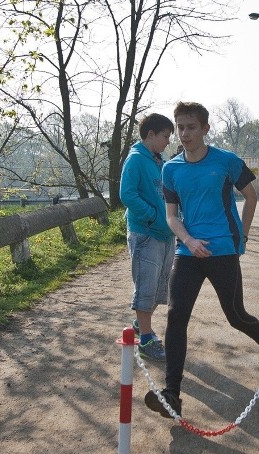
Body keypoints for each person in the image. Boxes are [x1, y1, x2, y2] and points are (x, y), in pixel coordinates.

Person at [145, 101, 259, 418]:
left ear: (205, 129)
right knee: (176, 316)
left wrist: (241, 237)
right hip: (188, 252)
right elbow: (171, 217)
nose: (185, 133)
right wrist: (189, 240)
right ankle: (172, 394)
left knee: (236, 316)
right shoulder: (171, 169)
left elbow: (251, 196)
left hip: (223, 250)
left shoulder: (226, 162)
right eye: (180, 127)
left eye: (191, 127)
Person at [119, 113, 175, 362]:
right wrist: (152, 216)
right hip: (145, 233)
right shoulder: (135, 160)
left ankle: (141, 325)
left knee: (159, 288)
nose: (167, 142)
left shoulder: (158, 161)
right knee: (146, 287)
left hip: (165, 234)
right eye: (165, 136)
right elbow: (127, 195)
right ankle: (147, 339)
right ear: (150, 134)